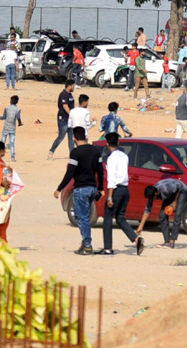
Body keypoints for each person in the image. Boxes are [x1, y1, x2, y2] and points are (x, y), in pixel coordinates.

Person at [54, 127, 104, 255]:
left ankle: (87, 245)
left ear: (74, 138)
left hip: (81, 188)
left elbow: (70, 172)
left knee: (82, 217)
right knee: (80, 216)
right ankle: (85, 242)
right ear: (85, 136)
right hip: (93, 188)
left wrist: (59, 189)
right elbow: (100, 170)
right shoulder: (96, 151)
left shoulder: (76, 152)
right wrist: (101, 188)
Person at [100, 131, 139, 255]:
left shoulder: (112, 158)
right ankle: (135, 238)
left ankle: (107, 247)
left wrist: (109, 197)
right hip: (125, 189)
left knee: (107, 218)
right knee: (120, 218)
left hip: (116, 190)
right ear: (118, 142)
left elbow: (111, 178)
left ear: (107, 144)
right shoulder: (124, 156)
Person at [136, 177, 187, 250]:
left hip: (181, 190)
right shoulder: (152, 193)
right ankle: (167, 241)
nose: (151, 200)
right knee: (162, 215)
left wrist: (175, 202)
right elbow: (147, 210)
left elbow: (178, 188)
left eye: (152, 198)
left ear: (156, 193)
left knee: (177, 216)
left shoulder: (166, 189)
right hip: (170, 194)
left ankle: (172, 241)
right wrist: (141, 226)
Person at [47, 81, 76, 159]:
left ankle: (72, 155)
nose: (74, 87)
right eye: (73, 85)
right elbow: (65, 106)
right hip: (63, 119)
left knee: (71, 138)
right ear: (70, 86)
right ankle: (51, 152)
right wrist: (72, 115)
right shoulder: (63, 95)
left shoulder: (70, 95)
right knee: (61, 137)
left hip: (70, 120)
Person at [0, 95, 22, 161]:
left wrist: (0, 118)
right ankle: (12, 157)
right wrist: (20, 123)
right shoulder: (18, 109)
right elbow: (18, 117)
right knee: (12, 142)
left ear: (11, 101)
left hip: (6, 126)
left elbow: (4, 116)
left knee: (3, 141)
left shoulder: (7, 108)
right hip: (12, 127)